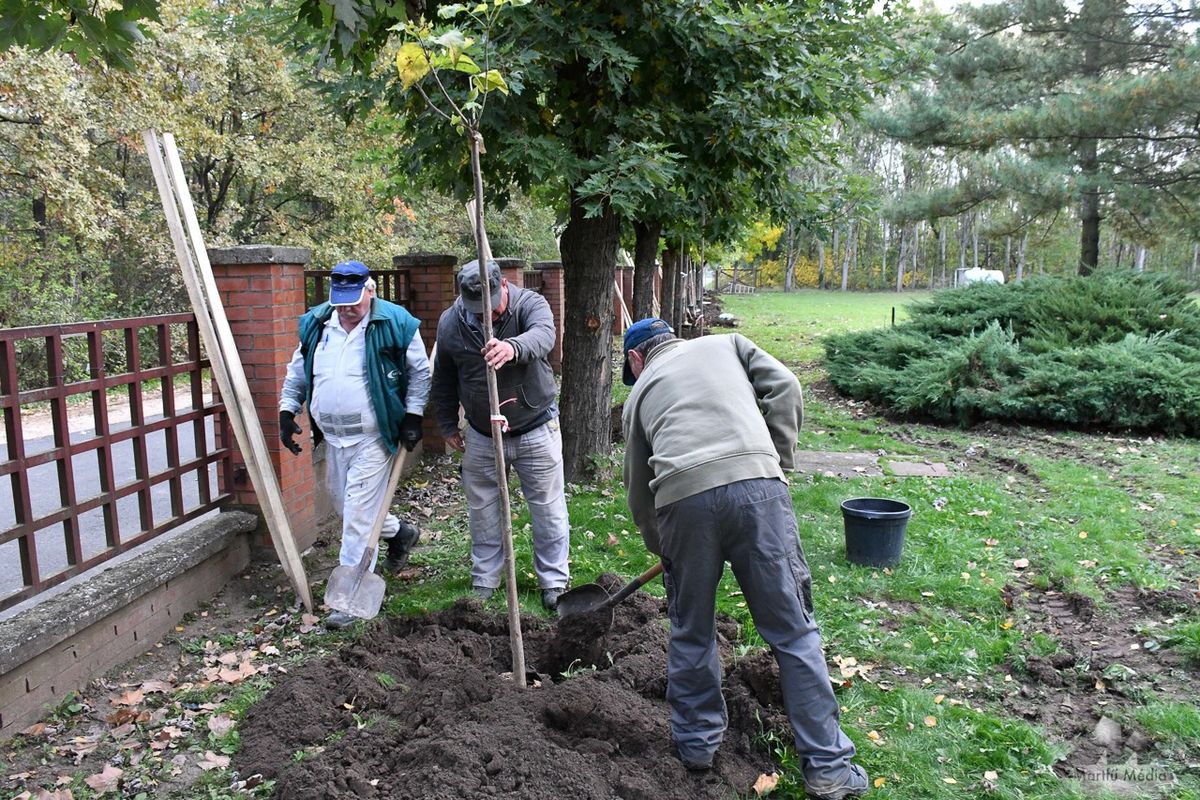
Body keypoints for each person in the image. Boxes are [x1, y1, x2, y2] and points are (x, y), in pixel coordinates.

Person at [621, 318, 868, 800]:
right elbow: (786, 386)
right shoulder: (727, 343)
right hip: (758, 492)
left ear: (636, 360)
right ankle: (829, 771)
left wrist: (665, 549)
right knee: (794, 633)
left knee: (691, 631)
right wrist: (776, 460)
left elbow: (636, 491)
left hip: (681, 502)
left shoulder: (639, 393)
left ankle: (696, 747)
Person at [279, 260, 431, 629]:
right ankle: (400, 532)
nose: (347, 309)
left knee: (358, 515)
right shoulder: (317, 324)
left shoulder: (395, 323)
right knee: (347, 507)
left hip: (373, 436)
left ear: (370, 290)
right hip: (333, 438)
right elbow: (298, 371)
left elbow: (419, 372)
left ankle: (348, 598)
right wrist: (287, 409)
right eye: (340, 301)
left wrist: (412, 415)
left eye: (354, 300)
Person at [431, 259, 570, 611]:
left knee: (548, 507)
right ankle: (485, 580)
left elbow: (544, 335)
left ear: (503, 286)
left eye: (491, 309)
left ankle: (553, 582)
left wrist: (512, 348)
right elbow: (443, 376)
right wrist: (447, 423)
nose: (485, 317)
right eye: (477, 311)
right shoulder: (451, 322)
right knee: (482, 508)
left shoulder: (530, 304)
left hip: (535, 425)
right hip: (481, 433)